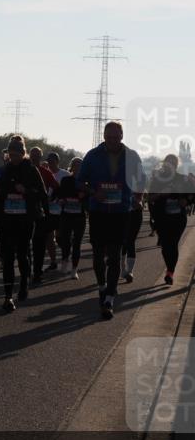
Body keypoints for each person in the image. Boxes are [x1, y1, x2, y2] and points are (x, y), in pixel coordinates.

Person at [76, 121, 146, 319]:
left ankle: (109, 299)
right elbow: (79, 181)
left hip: (120, 212)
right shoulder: (92, 155)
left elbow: (141, 179)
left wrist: (138, 199)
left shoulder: (132, 156)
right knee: (98, 255)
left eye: (116, 137)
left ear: (122, 136)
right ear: (104, 137)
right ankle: (101, 286)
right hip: (98, 211)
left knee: (115, 256)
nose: (113, 141)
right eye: (109, 138)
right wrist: (92, 192)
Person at [0, 136, 46, 311]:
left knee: (22, 254)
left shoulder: (31, 170)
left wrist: (26, 191)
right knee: (6, 257)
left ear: (23, 154)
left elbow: (42, 194)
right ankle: (7, 296)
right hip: (6, 219)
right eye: (10, 155)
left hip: (25, 219)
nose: (12, 158)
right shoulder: (4, 170)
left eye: (16, 155)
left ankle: (23, 286)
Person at [147, 155, 189, 285]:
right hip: (162, 218)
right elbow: (149, 198)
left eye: (174, 163)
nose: (171, 165)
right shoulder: (157, 179)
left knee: (173, 244)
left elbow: (191, 196)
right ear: (165, 164)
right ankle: (170, 269)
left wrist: (186, 201)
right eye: (168, 163)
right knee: (165, 246)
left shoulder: (182, 179)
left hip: (178, 219)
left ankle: (170, 272)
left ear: (177, 165)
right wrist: (160, 194)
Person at [29, 147, 60, 282]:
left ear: (41, 157)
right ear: (29, 156)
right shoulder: (23, 170)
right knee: (24, 245)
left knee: (39, 243)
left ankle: (37, 272)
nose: (35, 158)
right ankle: (29, 269)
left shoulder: (46, 172)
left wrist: (50, 199)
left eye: (37, 156)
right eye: (33, 155)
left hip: (40, 213)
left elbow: (57, 188)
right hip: (23, 213)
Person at [57, 157, 88, 279]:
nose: (78, 168)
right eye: (75, 165)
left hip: (79, 216)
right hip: (66, 214)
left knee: (77, 243)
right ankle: (65, 261)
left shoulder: (86, 183)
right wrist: (61, 200)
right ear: (72, 167)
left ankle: (74, 269)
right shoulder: (65, 180)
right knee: (65, 241)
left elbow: (89, 199)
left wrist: (84, 196)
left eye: (80, 166)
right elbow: (60, 194)